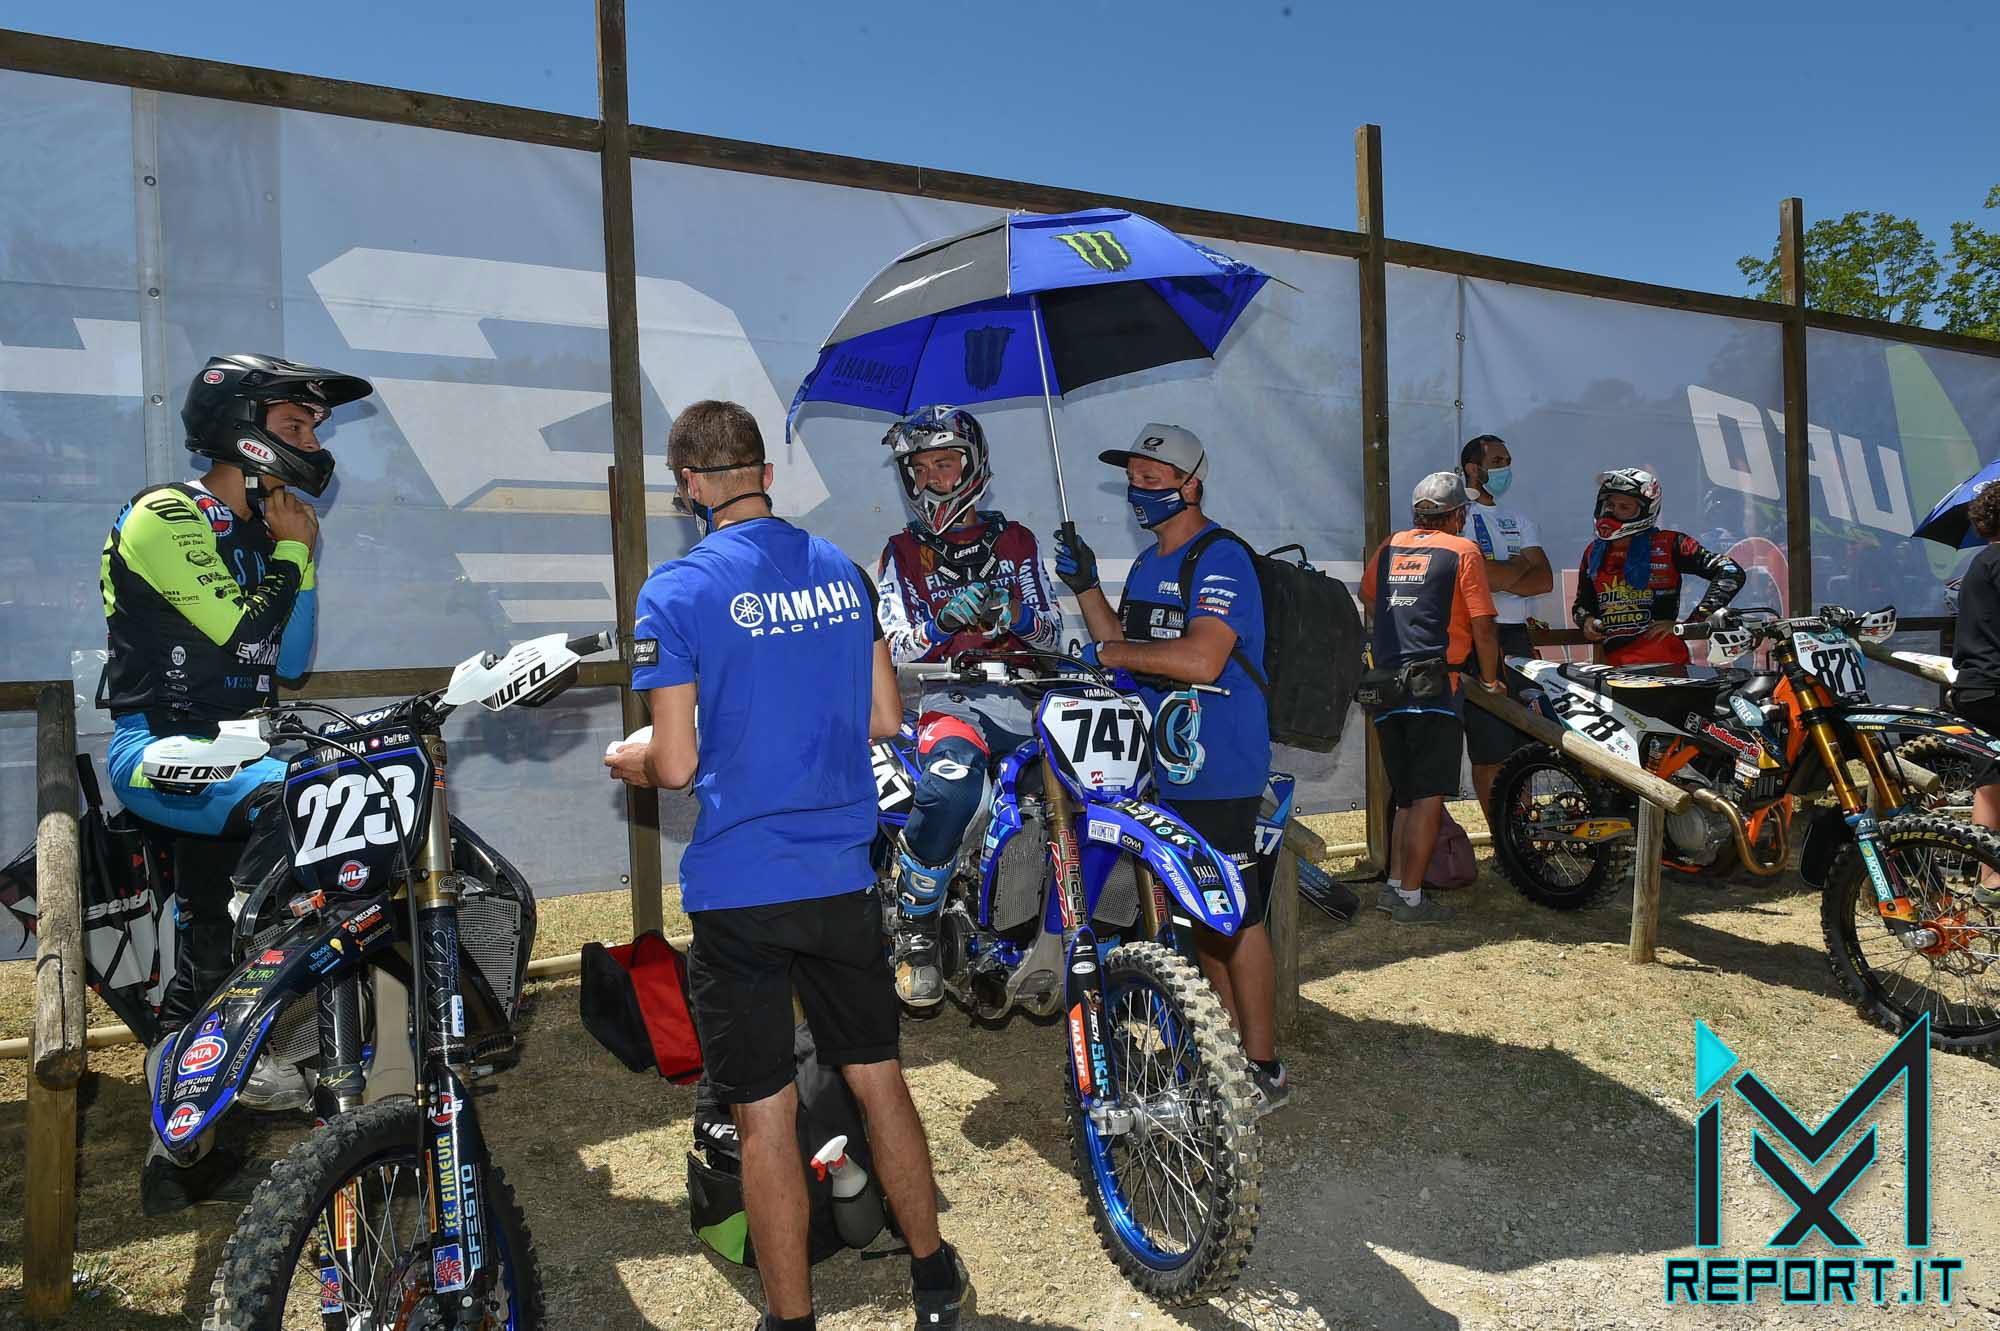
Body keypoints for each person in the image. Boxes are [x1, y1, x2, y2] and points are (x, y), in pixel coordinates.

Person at [606, 400, 969, 1331]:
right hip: (841, 876)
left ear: (688, 484)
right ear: (764, 473)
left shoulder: (675, 590)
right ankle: (934, 1278)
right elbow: (886, 717)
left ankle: (792, 1320)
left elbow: (675, 763)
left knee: (763, 1112)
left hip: (740, 890)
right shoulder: (843, 570)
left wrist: (631, 758)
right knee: (878, 1075)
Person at [104, 354, 370, 1119]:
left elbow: (289, 661)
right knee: (301, 799)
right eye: (296, 424)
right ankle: (252, 1011)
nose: (312, 442)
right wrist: (292, 553)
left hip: (242, 754)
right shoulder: (166, 513)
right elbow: (243, 638)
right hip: (157, 749)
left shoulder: (266, 531)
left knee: (204, 940)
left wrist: (299, 559)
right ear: (243, 430)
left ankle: (182, 1119)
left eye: (314, 427)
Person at [1051, 424, 1288, 1111]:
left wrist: (1114, 655)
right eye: (1134, 477)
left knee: (1234, 911)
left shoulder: (1221, 558)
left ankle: (1265, 1068)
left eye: (1154, 478)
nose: (1140, 488)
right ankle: (1222, 1050)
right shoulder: (1149, 563)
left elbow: (1202, 659)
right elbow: (1123, 647)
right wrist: (1087, 588)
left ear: (1192, 483)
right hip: (1165, 764)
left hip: (1220, 764)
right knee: (1194, 911)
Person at [874, 404, 1062, 1006]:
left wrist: (1020, 616)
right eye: (921, 468)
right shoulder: (902, 552)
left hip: (1029, 702)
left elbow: (1054, 634)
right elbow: (893, 645)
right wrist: (940, 625)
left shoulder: (1016, 541)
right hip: (952, 703)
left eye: (945, 464)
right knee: (952, 791)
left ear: (973, 466)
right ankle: (917, 930)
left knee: (1081, 795)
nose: (933, 478)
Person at [1358, 472, 1502, 924]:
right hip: (1436, 686)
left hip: (1386, 685)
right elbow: (1483, 624)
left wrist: (1399, 630)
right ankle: (1412, 899)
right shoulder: (1463, 550)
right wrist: (1492, 679)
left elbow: (1368, 594)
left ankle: (1396, 888)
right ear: (1457, 514)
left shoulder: (1390, 546)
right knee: (1428, 797)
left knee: (1406, 795)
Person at [1457, 434, 1552, 820]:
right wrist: (1517, 568)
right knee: (1489, 748)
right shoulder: (1460, 516)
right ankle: (1501, 833)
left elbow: (1543, 580)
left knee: (1522, 744)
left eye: (1508, 461)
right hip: (1479, 636)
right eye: (1497, 461)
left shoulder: (1520, 518)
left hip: (1517, 637)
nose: (1505, 468)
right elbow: (1478, 577)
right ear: (1473, 469)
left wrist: (1500, 574)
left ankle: (1520, 833)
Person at [1572, 468, 1744, 673]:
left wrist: (1693, 622)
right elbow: (1581, 606)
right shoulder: (1593, 551)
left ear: (1646, 510)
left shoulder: (1670, 543)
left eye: (1623, 507)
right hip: (1615, 671)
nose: (1612, 512)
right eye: (1609, 505)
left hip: (1667, 667)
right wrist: (1587, 621)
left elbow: (1730, 571)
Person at [1948, 482, 2000, 904]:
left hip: (1977, 685)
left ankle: (1989, 876)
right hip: (1994, 685)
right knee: (1992, 780)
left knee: (1992, 777)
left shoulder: (1983, 562)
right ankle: (1990, 878)